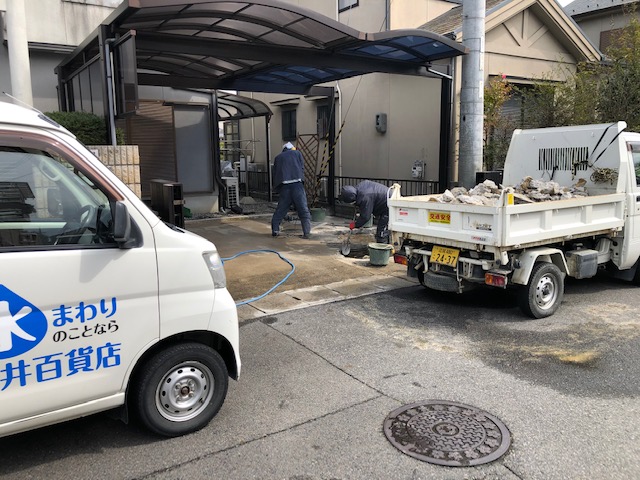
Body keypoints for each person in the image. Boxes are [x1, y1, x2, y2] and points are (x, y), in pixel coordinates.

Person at [271, 142, 312, 238]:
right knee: (303, 210)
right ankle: (307, 232)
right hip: (297, 185)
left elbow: (275, 173)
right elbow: (302, 167)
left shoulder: (278, 157)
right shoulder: (297, 153)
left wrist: (277, 188)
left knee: (280, 210)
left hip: (285, 186)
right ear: (292, 148)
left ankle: (275, 230)